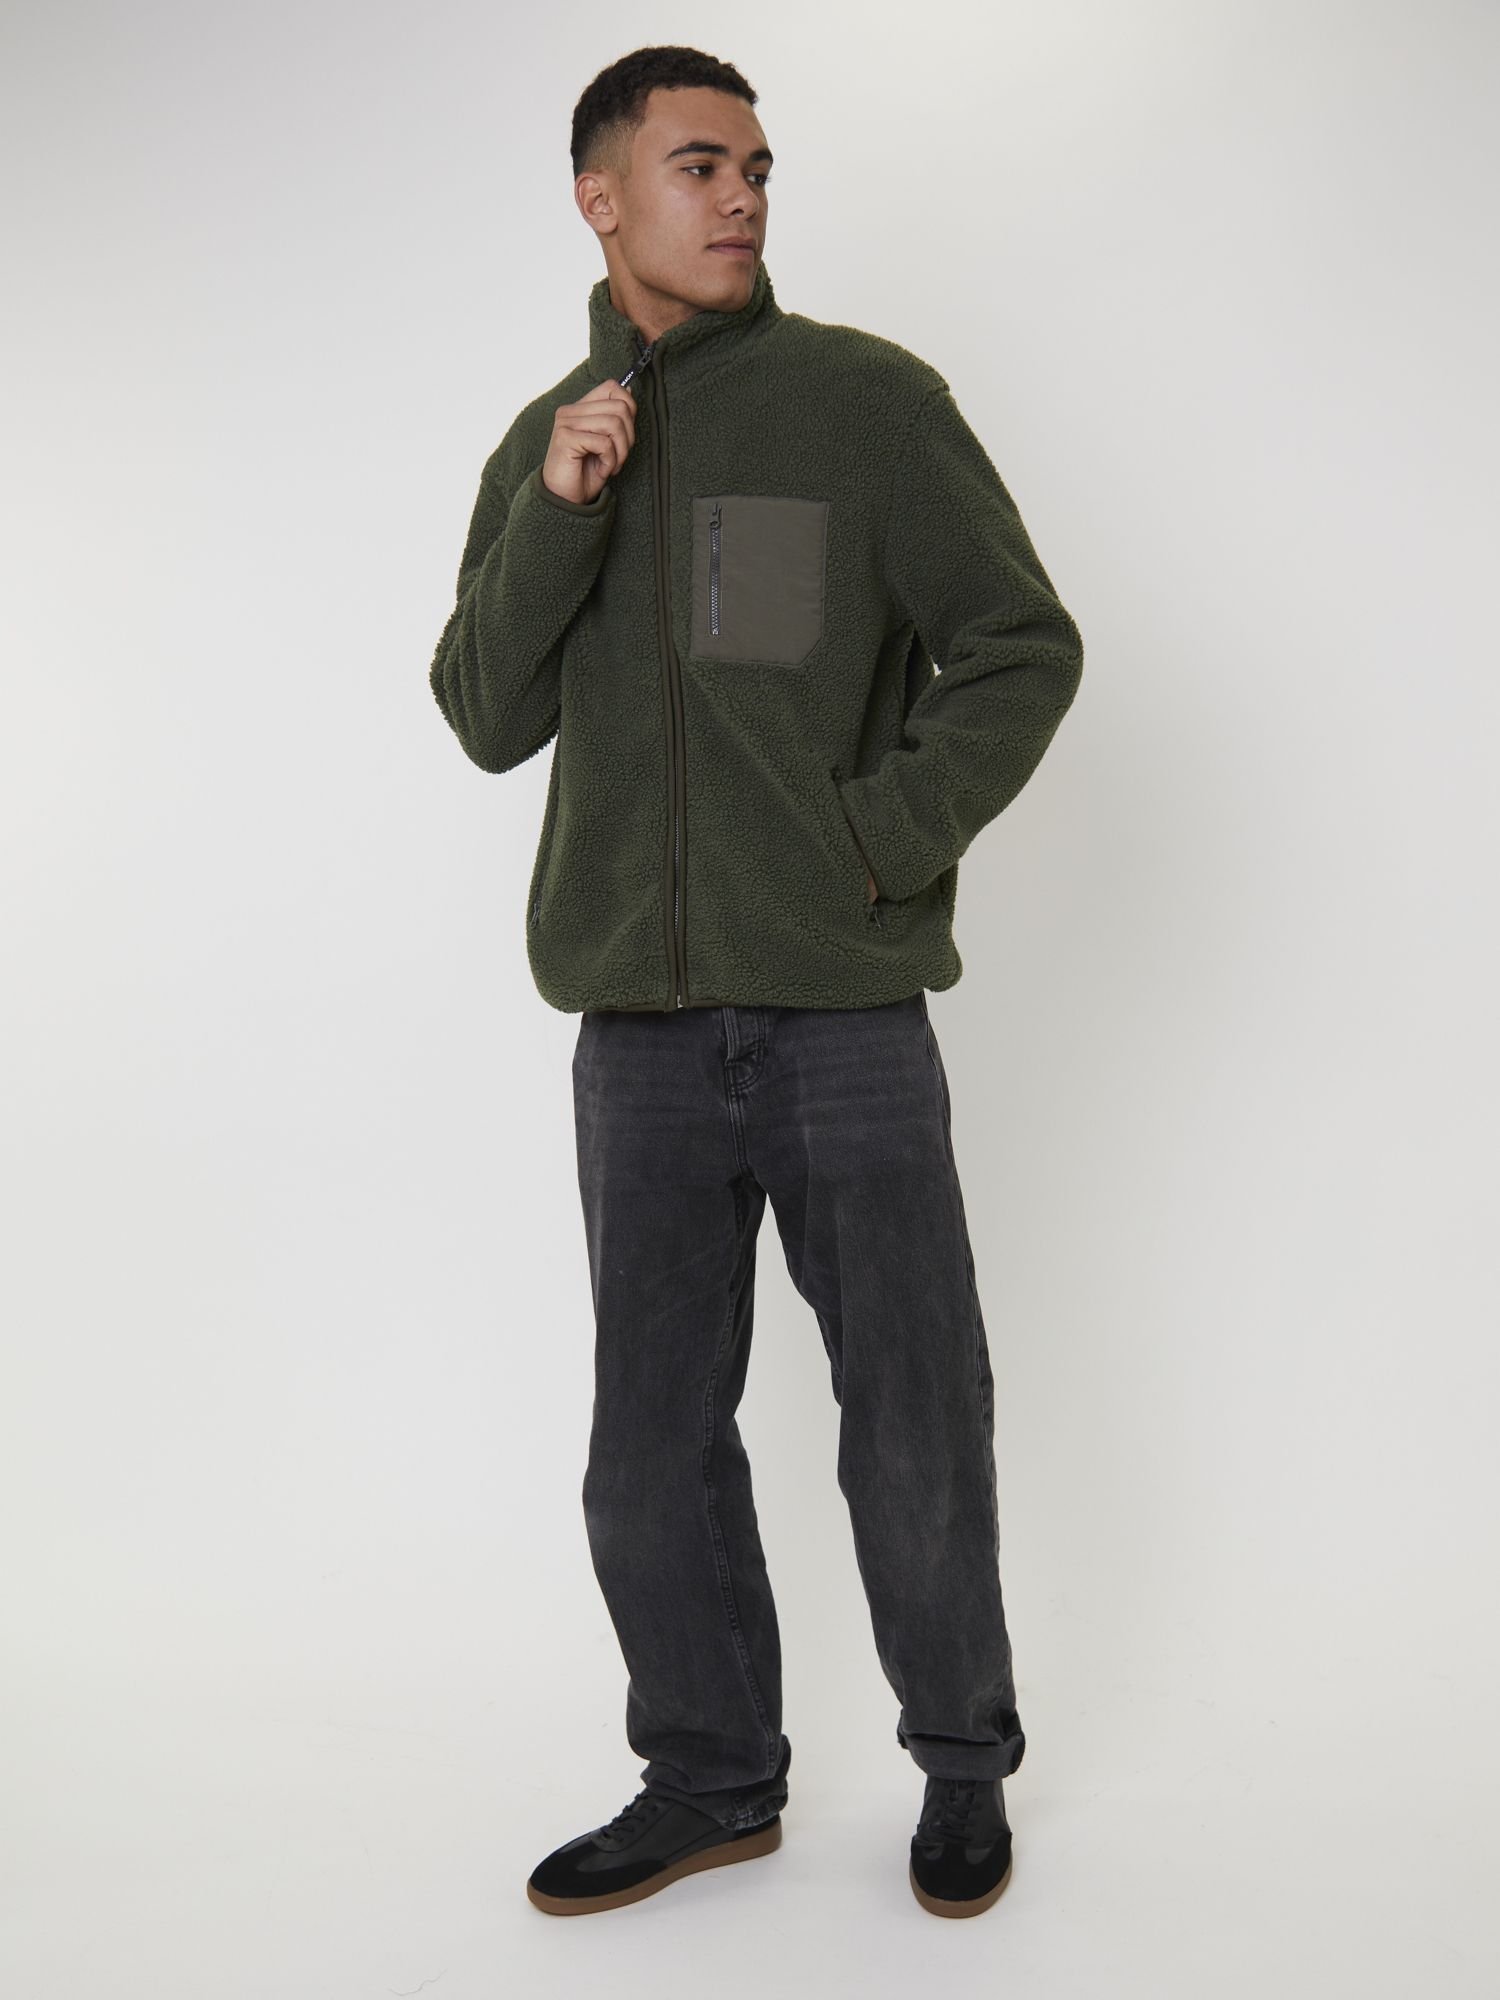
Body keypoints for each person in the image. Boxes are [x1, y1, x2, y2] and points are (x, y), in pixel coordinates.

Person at [428, 44, 1084, 1921]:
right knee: (648, 1447)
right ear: (600, 197)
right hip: (634, 1033)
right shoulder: (547, 439)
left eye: (758, 169)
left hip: (842, 1016)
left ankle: (961, 1763)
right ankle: (711, 1779)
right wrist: (564, 503)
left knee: (914, 1415)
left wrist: (878, 840)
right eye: (699, 166)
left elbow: (1020, 646)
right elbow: (483, 712)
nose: (740, 198)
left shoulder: (864, 405)